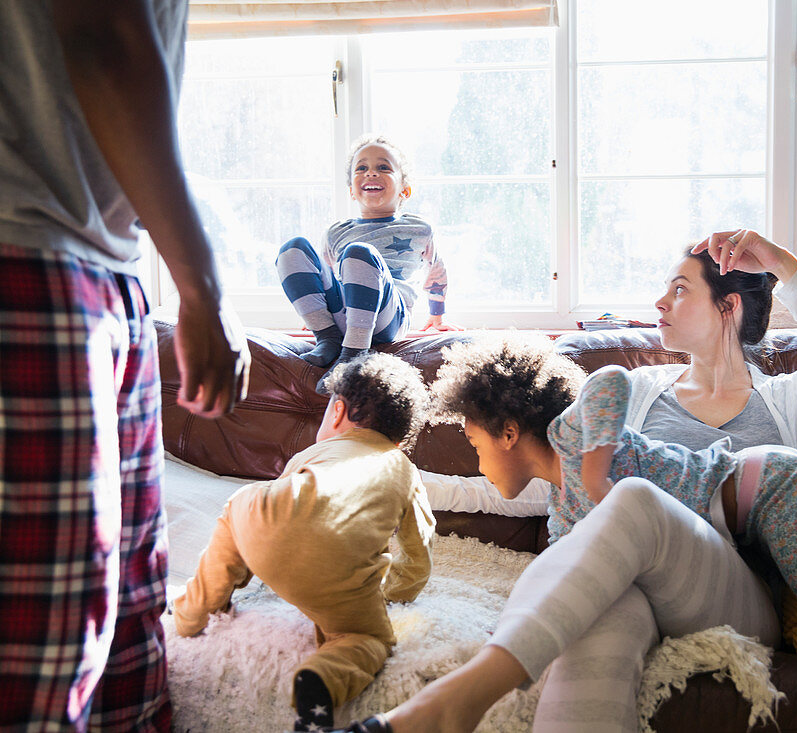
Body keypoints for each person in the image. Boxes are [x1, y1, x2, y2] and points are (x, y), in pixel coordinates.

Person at [346, 230, 797, 733]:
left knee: (637, 502)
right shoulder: (639, 391)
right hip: (658, 574)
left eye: (679, 289)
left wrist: (784, 267)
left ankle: (458, 697)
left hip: (742, 577)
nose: (658, 302)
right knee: (600, 620)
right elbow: (516, 475)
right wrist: (375, 466)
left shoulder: (784, 401)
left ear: (727, 305)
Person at [0, 2, 251, 731]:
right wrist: (200, 282)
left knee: (126, 628)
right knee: (46, 646)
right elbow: (104, 33)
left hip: (106, 269)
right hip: (30, 254)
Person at [172, 352, 435, 731]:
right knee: (367, 638)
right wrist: (398, 592)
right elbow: (417, 545)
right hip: (337, 559)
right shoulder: (403, 469)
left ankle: (191, 613)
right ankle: (321, 679)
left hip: (259, 515)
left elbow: (287, 513)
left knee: (236, 514)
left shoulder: (314, 453)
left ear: (338, 411)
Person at [276, 134, 458, 388]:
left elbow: (436, 271)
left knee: (358, 253)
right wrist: (316, 314)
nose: (371, 173)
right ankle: (327, 338)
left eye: (383, 167)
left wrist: (437, 315)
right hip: (346, 314)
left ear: (405, 189)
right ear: (352, 189)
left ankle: (353, 354)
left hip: (388, 316)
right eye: (361, 168)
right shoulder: (336, 232)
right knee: (292, 249)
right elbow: (325, 275)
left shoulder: (419, 229)